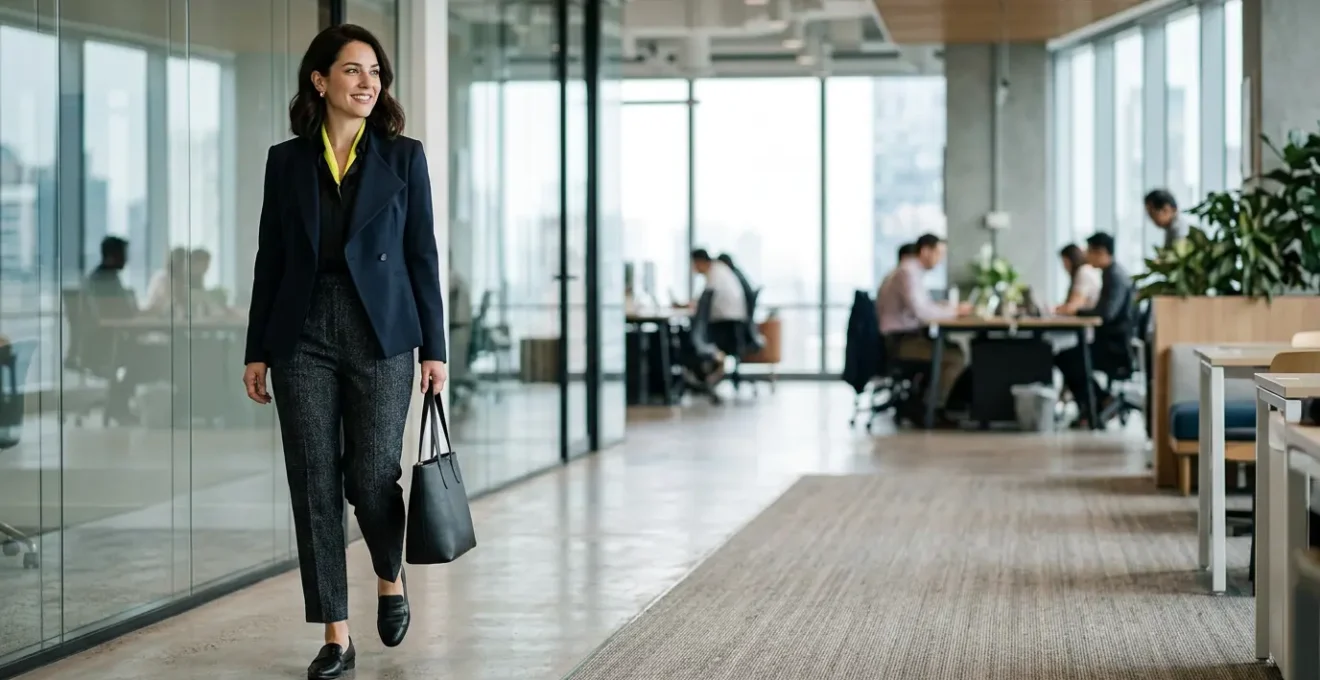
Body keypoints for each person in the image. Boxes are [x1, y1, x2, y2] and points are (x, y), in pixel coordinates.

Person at [240, 24, 447, 679]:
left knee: (370, 475)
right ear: (320, 80)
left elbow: (422, 257)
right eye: (354, 71)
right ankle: (336, 635)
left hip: (382, 333)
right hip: (301, 334)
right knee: (313, 484)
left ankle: (390, 573)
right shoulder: (287, 161)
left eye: (376, 74)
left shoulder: (403, 157)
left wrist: (434, 350)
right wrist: (258, 349)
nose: (368, 83)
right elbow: (269, 260)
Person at [876, 234, 972, 406]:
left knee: (953, 349)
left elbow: (922, 305)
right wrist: (954, 312)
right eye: (939, 254)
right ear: (926, 251)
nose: (940, 260)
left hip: (904, 337)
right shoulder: (908, 272)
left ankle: (928, 404)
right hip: (902, 342)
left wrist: (945, 308)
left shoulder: (910, 272)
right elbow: (921, 312)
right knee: (955, 357)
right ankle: (931, 409)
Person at [1056, 232, 1135, 429]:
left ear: (1100, 252)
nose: (1086, 257)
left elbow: (1107, 313)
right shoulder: (1110, 274)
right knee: (1069, 357)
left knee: (1068, 359)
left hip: (1114, 347)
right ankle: (1099, 402)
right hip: (1111, 343)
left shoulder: (1115, 276)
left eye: (1089, 252)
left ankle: (1100, 402)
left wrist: (1079, 312)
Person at [1054, 244, 1102, 315]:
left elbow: (1074, 306)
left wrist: (1055, 310)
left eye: (1065, 261)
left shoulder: (1084, 272)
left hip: (1088, 320)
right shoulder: (1085, 270)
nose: (1064, 266)